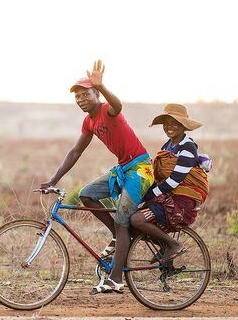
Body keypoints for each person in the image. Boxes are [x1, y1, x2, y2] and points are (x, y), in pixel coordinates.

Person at [41, 60, 154, 294]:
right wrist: (53, 180)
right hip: (123, 168)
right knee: (87, 195)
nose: (81, 99)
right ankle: (118, 236)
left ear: (97, 95)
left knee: (123, 221)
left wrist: (101, 85)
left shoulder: (107, 111)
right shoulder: (89, 121)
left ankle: (116, 279)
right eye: (77, 96)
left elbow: (118, 105)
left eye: (86, 94)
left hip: (140, 169)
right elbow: (75, 152)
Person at [129, 104, 209, 262]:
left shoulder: (188, 147)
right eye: (166, 123)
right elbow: (159, 176)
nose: (169, 127)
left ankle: (173, 245)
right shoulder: (167, 146)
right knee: (129, 223)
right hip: (167, 197)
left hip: (181, 202)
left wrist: (149, 195)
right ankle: (165, 246)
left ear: (183, 126)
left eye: (174, 123)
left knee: (137, 219)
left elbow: (174, 180)